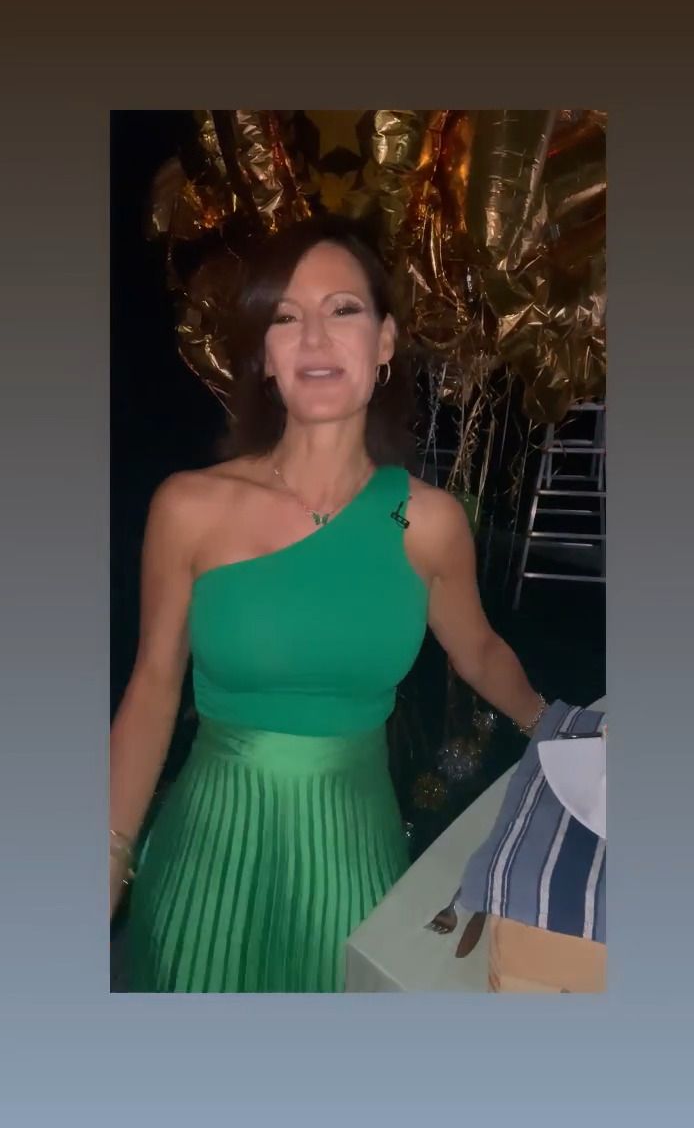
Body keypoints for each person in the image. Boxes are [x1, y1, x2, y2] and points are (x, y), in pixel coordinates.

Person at [110, 214, 549, 992]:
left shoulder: (428, 522)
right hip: (205, 856)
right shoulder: (189, 507)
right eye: (286, 317)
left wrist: (558, 728)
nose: (314, 337)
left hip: (354, 856)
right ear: (266, 355)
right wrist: (108, 853)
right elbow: (151, 686)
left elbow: (478, 649)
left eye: (342, 309)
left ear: (384, 342)